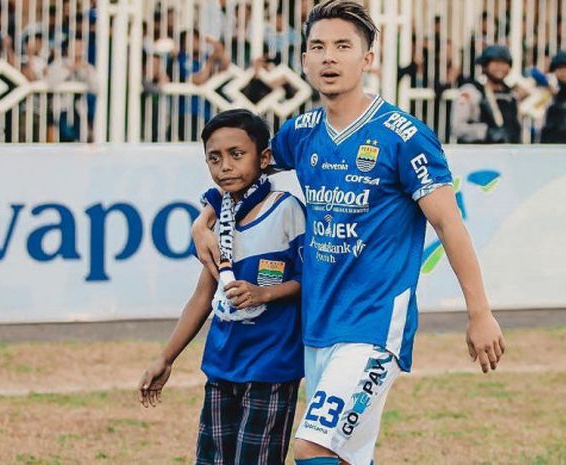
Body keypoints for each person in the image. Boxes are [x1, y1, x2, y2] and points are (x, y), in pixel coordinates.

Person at [193, 2, 505, 464]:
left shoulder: (404, 136)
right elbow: (244, 168)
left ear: (368, 58)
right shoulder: (301, 133)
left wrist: (480, 313)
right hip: (317, 326)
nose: (329, 58)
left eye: (343, 46)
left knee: (312, 447)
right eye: (318, 47)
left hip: (374, 326)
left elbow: (448, 224)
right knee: (346, 455)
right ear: (304, 61)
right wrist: (204, 215)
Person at [138, 109, 306, 465]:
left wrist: (265, 294)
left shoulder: (287, 210)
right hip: (221, 366)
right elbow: (203, 297)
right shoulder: (217, 219)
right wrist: (165, 358)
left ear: (263, 158)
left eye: (236, 154)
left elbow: (312, 282)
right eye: (214, 158)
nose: (225, 166)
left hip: (271, 369)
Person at [452, 44, 523, 144]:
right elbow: (457, 127)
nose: (500, 67)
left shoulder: (512, 95)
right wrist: (486, 132)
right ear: (485, 66)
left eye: (504, 63)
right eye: (495, 63)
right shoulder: (471, 91)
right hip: (480, 152)